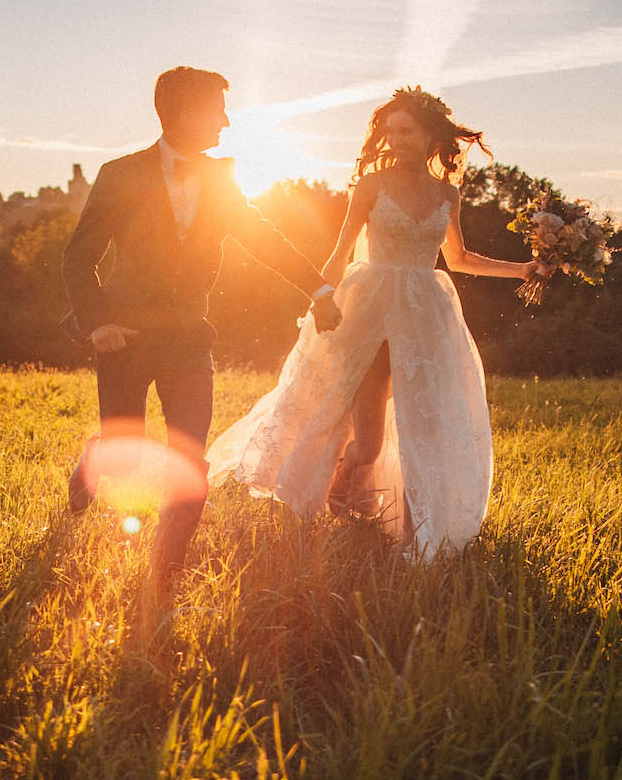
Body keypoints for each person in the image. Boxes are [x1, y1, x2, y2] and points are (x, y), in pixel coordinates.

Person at [61, 66, 343, 630]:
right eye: (216, 108)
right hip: (124, 337)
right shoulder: (120, 174)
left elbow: (261, 235)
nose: (225, 120)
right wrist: (96, 323)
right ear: (181, 111)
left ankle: (163, 578)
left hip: (190, 339)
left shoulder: (221, 178)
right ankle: (95, 460)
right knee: (129, 454)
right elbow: (79, 255)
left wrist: (315, 286)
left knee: (190, 460)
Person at [207, 86, 540, 559]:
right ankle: (344, 487)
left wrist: (521, 269)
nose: (397, 140)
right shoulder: (371, 185)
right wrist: (322, 298)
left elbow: (459, 259)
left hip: (425, 315)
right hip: (369, 312)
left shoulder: (448, 193)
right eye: (391, 132)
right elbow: (341, 250)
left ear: (430, 135)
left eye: (407, 131)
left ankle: (415, 534)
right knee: (367, 441)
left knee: (423, 430)